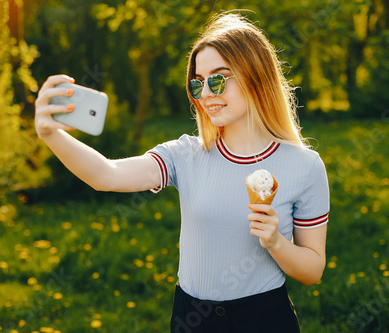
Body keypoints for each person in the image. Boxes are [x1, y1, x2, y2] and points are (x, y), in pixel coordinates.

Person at [35, 12, 329, 333]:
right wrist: (51, 135)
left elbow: (313, 270)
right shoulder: (186, 154)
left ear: (255, 76)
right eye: (197, 82)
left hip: (264, 319)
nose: (205, 93)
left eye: (218, 78)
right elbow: (106, 175)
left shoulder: (305, 166)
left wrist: (275, 242)